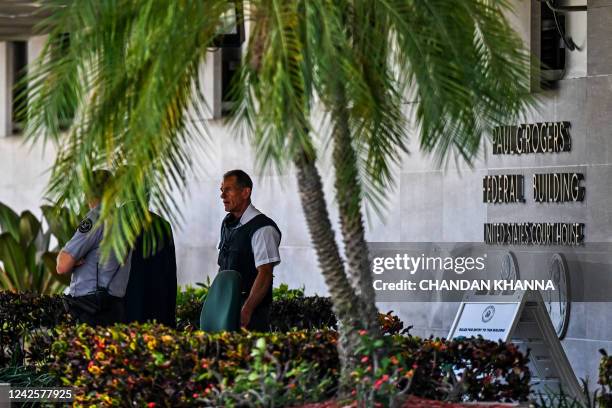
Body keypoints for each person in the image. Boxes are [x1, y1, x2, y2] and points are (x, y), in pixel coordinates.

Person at [57, 170, 132, 326]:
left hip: (90, 309)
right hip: (116, 308)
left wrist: (70, 258)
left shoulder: (96, 219)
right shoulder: (125, 221)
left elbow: (62, 266)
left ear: (88, 193)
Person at [217, 169, 281, 331]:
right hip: (226, 312)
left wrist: (247, 310)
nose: (222, 196)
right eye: (222, 190)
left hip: (250, 317)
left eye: (228, 190)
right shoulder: (227, 224)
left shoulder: (263, 228)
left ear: (246, 192)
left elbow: (265, 273)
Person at [123, 210, 177, 328]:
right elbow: (171, 277)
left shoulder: (115, 223)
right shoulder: (163, 224)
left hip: (123, 314)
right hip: (157, 314)